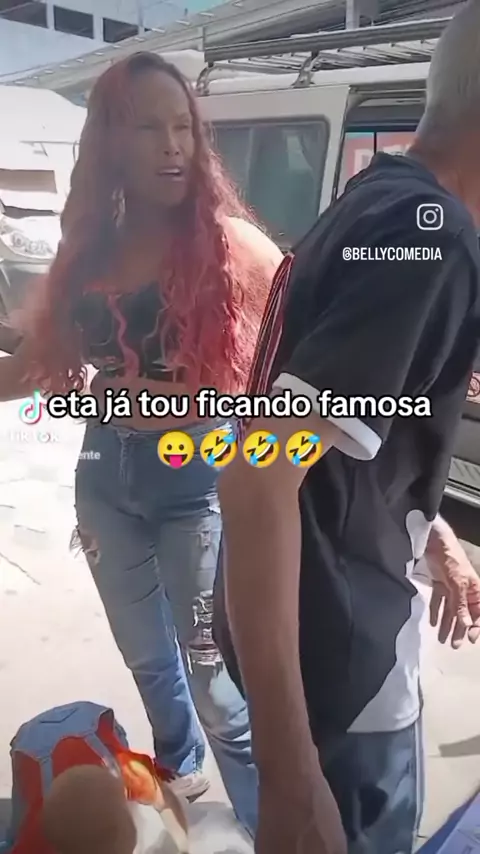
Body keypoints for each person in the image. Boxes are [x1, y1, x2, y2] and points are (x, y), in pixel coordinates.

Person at [213, 4, 480, 853]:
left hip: (310, 633)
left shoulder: (377, 201)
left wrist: (429, 526)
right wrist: (290, 783)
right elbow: (259, 470)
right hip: (345, 662)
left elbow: (323, 435)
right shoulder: (434, 241)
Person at [0, 51, 282, 831]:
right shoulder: (88, 250)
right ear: (111, 143)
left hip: (198, 478)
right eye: (149, 128)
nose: (173, 146)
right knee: (148, 658)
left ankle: (268, 824)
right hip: (105, 475)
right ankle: (179, 776)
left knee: (214, 679)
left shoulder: (234, 247)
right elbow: (35, 366)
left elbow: (300, 372)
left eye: (183, 127)